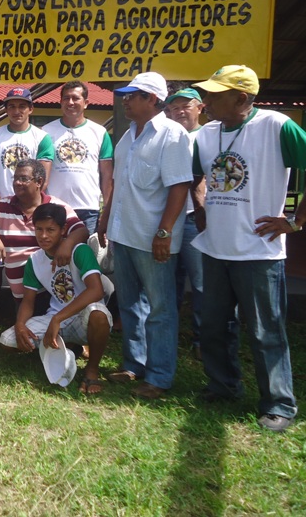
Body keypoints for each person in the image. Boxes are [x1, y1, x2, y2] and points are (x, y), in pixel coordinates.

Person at [192, 65, 306, 432]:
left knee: (265, 330)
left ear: (241, 98)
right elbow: (196, 178)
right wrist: (201, 206)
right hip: (215, 249)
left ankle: (279, 404)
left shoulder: (275, 126)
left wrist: (296, 221)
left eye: (215, 95)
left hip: (259, 253)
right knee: (212, 326)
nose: (206, 101)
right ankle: (223, 387)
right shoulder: (205, 134)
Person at [100, 72, 192, 400]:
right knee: (128, 304)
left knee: (161, 308)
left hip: (152, 238)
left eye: (133, 95)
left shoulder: (172, 135)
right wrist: (106, 216)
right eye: (125, 94)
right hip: (124, 235)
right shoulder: (129, 136)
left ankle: (159, 376)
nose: (126, 99)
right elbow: (120, 186)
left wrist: (164, 232)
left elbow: (179, 187)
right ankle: (133, 363)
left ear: (152, 99)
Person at [0, 204, 112, 394]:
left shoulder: (79, 251)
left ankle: (92, 370)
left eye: (50, 230)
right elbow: (28, 301)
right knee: (7, 341)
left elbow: (96, 291)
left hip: (82, 317)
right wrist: (20, 325)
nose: (44, 235)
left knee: (98, 314)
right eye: (39, 229)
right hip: (56, 319)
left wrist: (57, 318)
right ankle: (67, 348)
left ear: (62, 230)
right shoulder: (34, 260)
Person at [0, 159, 87, 302]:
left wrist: (68, 244)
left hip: (53, 293)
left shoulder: (55, 207)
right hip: (22, 299)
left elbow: (81, 230)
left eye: (23, 179)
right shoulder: (2, 207)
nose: (17, 182)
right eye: (15, 178)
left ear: (39, 182)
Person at [164, 87, 205, 359]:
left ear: (200, 107)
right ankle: (170, 334)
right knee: (170, 281)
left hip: (195, 219)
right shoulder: (169, 138)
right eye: (173, 108)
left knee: (201, 282)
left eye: (185, 106)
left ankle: (203, 339)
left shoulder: (208, 136)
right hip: (169, 218)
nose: (179, 112)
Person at [43, 81, 113, 234]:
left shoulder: (99, 132)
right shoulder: (46, 132)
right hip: (55, 207)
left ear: (86, 103)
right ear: (60, 102)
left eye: (75, 98)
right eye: (66, 98)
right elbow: (41, 173)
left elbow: (107, 174)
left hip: (88, 209)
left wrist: (107, 209)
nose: (70, 102)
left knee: (85, 255)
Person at [0, 87, 53, 202]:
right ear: (6, 110)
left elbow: (43, 179)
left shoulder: (42, 138)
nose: (16, 111)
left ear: (30, 109)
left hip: (30, 205)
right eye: (12, 106)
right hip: (2, 202)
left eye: (22, 106)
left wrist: (28, 204)